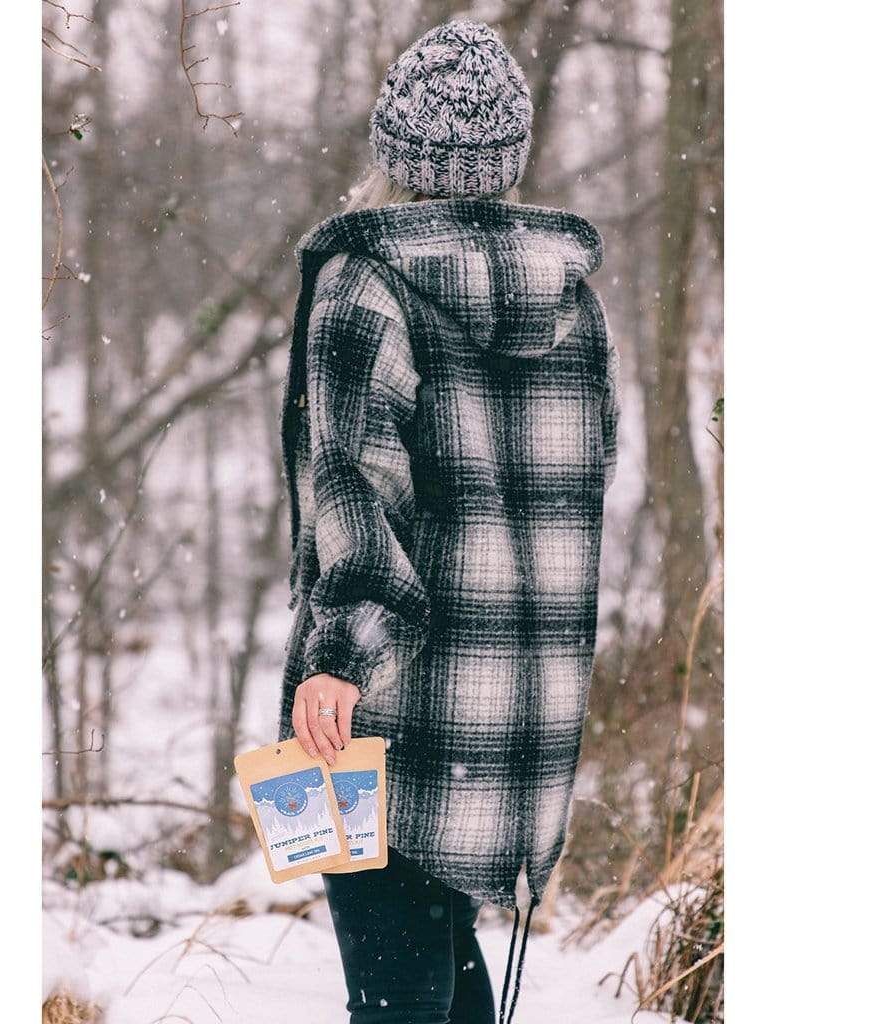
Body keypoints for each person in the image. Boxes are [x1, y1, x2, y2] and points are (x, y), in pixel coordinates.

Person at [276, 19, 621, 1024]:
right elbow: (584, 480)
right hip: (520, 711)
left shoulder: (363, 284)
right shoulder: (572, 297)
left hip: (377, 710)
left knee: (397, 999)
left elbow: (359, 485)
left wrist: (339, 653)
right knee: (439, 990)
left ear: (396, 147)